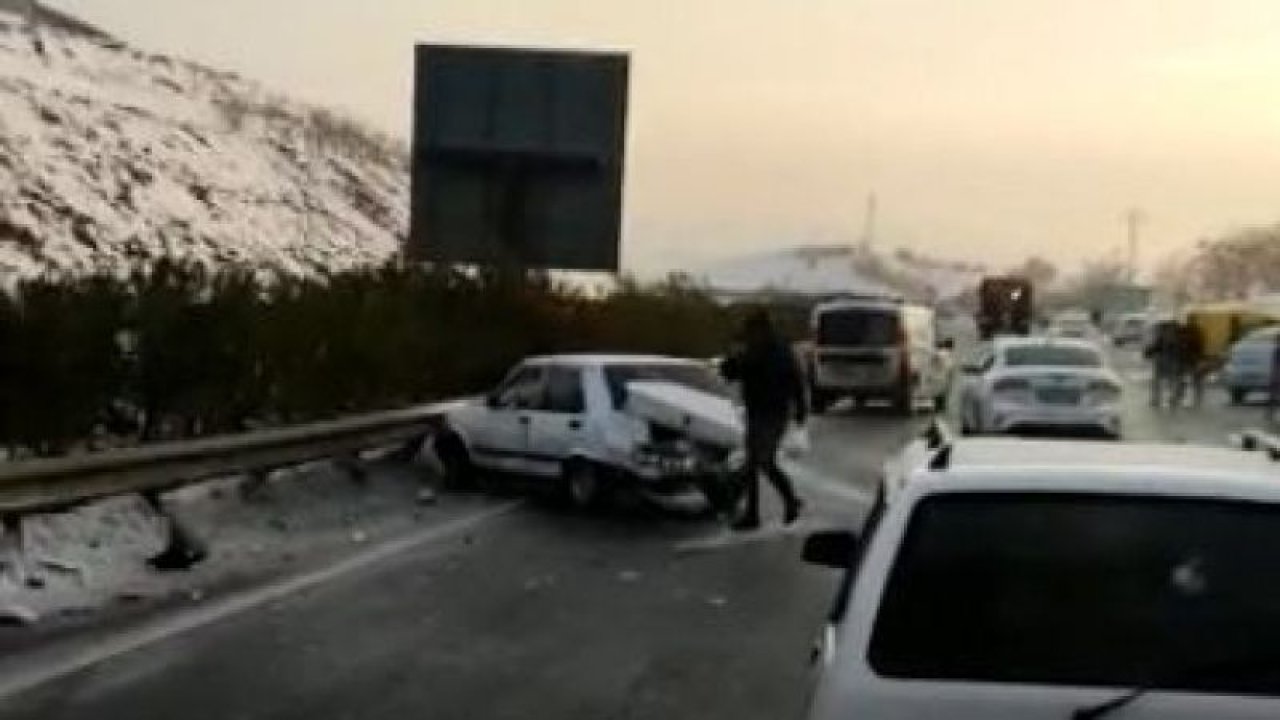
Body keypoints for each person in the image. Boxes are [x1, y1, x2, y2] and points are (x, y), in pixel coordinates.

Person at [720, 309, 806, 531]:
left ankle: (785, 503)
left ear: (759, 329)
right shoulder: (776, 349)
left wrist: (734, 356)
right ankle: (760, 511)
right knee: (755, 463)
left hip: (770, 413)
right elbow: (731, 372)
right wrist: (800, 408)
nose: (750, 334)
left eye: (751, 330)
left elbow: (732, 371)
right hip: (763, 411)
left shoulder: (763, 351)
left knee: (762, 461)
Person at [1145, 320, 1180, 409]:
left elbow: (1154, 348)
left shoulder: (1173, 340)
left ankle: (1169, 398)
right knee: (1160, 381)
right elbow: (1154, 348)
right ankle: (1159, 399)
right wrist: (1148, 353)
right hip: (1164, 363)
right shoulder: (1162, 339)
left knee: (1169, 381)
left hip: (1169, 363)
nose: (1167, 333)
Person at [1268, 333, 1280, 425]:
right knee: (1273, 396)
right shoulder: (1277, 350)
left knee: (1273, 396)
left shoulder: (1277, 350)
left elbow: (1275, 364)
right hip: (1276, 376)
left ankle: (1271, 412)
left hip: (1276, 376)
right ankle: (1270, 412)